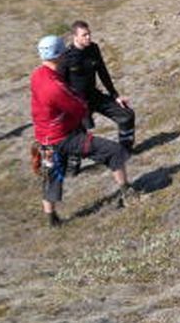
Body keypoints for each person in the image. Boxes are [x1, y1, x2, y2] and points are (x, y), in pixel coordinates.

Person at [31, 36, 135, 227]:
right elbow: (78, 109)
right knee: (114, 151)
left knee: (51, 175)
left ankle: (51, 219)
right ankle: (127, 190)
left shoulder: (37, 76)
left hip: (44, 139)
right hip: (65, 137)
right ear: (59, 55)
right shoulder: (55, 88)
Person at [59, 21, 136, 152]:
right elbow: (60, 84)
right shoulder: (66, 57)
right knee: (77, 137)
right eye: (84, 35)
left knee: (127, 115)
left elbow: (103, 72)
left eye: (89, 34)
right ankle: (73, 165)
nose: (88, 37)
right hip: (76, 103)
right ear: (75, 37)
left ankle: (125, 150)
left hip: (94, 95)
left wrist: (115, 95)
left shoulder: (93, 48)